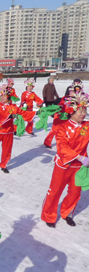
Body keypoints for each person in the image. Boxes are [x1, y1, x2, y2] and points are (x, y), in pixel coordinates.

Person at [41, 91, 89, 228]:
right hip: (64, 165)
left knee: (75, 192)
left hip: (79, 167)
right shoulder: (62, 128)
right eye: (80, 111)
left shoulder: (86, 126)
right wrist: (80, 157)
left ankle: (67, 213)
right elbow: (62, 148)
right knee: (55, 191)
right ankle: (49, 216)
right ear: (71, 111)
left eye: (84, 110)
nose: (83, 114)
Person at [0, 84, 36, 174]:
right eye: (1, 96)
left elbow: (24, 113)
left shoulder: (13, 107)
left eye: (4, 96)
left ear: (8, 97)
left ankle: (3, 164)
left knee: (7, 150)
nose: (2, 98)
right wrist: (12, 115)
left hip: (8, 132)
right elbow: (2, 115)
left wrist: (37, 113)